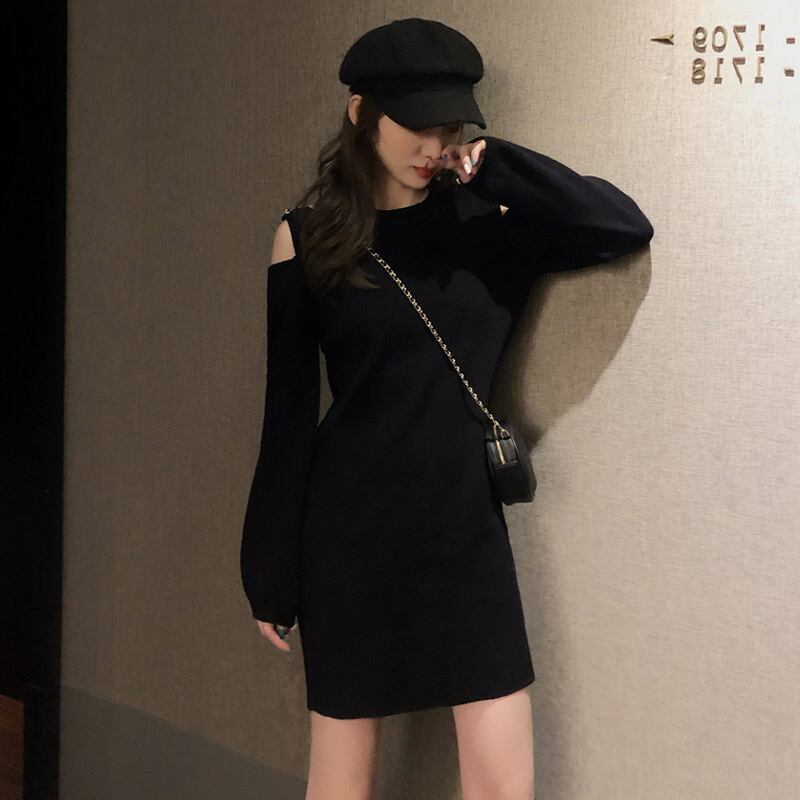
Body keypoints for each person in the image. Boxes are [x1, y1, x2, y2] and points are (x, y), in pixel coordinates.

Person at [240, 16, 654, 800]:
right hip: (349, 535)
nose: (434, 144)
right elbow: (287, 414)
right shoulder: (308, 238)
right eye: (416, 124)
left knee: (503, 783)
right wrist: (269, 570)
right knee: (339, 780)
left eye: (450, 126)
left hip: (463, 529)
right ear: (361, 114)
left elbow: (622, 226)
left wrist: (499, 169)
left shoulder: (488, 226)